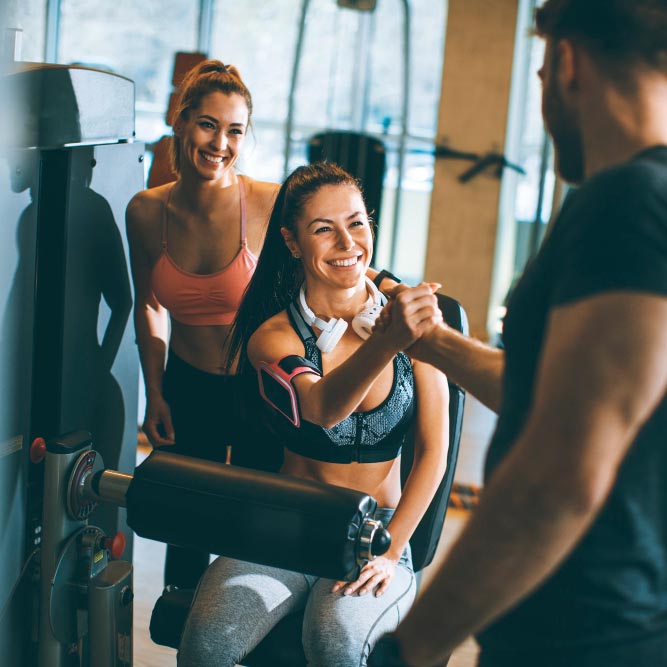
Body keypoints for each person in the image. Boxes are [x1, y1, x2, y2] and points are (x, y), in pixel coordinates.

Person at [368, 1, 667, 666]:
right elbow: (565, 394)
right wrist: (434, 342)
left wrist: (414, 645)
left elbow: (561, 471)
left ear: (565, 62)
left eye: (535, 75)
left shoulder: (625, 202)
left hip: (582, 632)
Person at [177, 162, 450, 667]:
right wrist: (388, 342)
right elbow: (321, 408)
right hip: (287, 525)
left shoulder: (417, 324)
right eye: (324, 229)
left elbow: (434, 451)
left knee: (334, 642)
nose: (347, 242)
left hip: (376, 534)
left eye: (357, 223)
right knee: (205, 645)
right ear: (292, 241)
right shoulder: (274, 337)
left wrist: (391, 554)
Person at [125, 60, 281, 589]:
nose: (221, 143)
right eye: (208, 124)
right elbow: (148, 305)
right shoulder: (146, 212)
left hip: (262, 388)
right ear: (181, 121)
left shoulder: (268, 202)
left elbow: (329, 276)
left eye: (235, 130)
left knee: (257, 534)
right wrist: (155, 390)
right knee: (186, 533)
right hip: (187, 387)